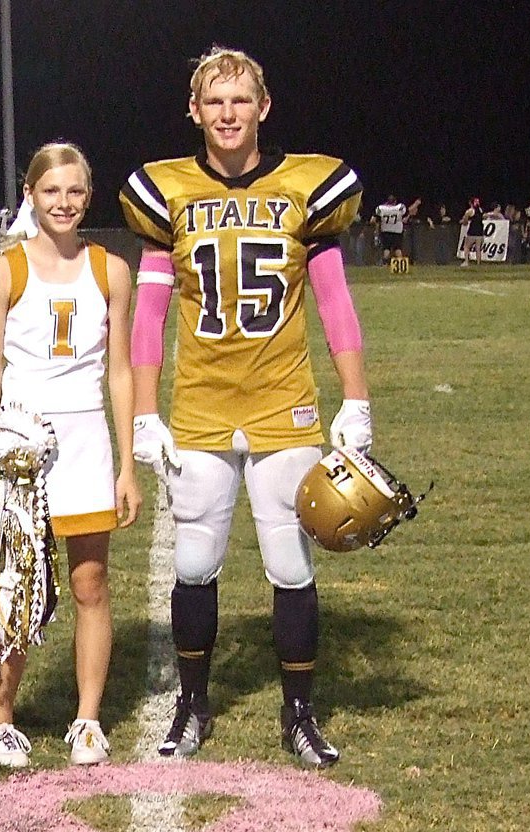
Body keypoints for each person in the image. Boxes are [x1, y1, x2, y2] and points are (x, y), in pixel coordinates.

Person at [120, 46, 369, 768]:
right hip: (201, 405)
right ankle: (193, 704)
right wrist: (144, 412)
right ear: (194, 111)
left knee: (290, 565)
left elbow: (334, 301)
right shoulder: (166, 191)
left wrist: (357, 399)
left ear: (264, 107)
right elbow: (149, 315)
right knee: (195, 560)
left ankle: (300, 713)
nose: (227, 114)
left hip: (283, 402)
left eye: (240, 100)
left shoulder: (307, 186)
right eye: (214, 101)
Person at [0, 142, 141, 768]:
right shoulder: (4, 272)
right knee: (16, 587)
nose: (62, 203)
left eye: (74, 191)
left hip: (87, 444)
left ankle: (87, 719)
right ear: (31, 196)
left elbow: (120, 372)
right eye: (50, 191)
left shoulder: (110, 270)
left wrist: (127, 465)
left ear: (87, 196)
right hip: (21, 453)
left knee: (90, 583)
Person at [460, 197, 485, 265]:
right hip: (480, 232)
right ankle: (478, 263)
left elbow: (465, 222)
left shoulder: (469, 211)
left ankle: (466, 261)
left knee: (466, 246)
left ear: (470, 203)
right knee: (478, 249)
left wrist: (463, 221)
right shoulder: (481, 210)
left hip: (472, 231)